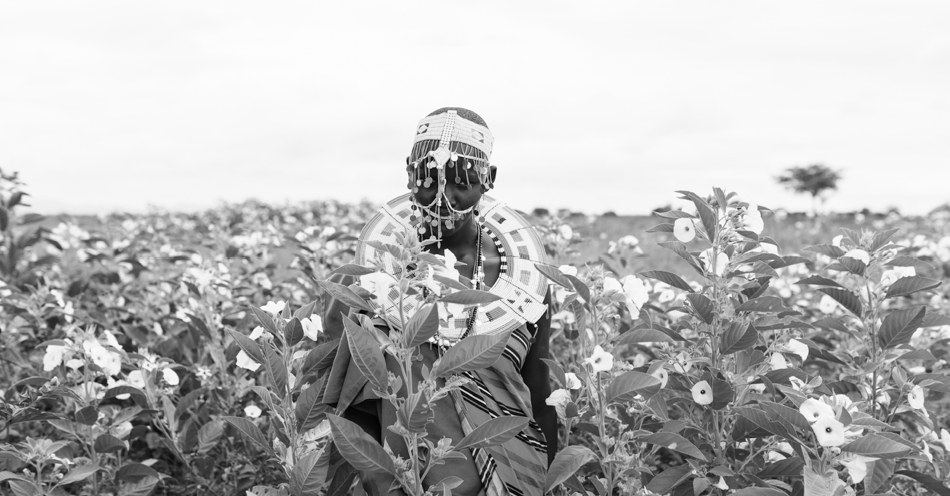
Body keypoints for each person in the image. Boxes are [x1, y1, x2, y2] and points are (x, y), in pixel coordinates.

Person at [323, 107, 555, 496]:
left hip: (510, 481)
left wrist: (548, 483)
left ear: (488, 180)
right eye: (428, 181)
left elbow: (538, 390)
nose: (441, 200)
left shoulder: (527, 285)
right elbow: (334, 398)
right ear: (410, 173)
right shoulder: (369, 280)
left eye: (460, 183)